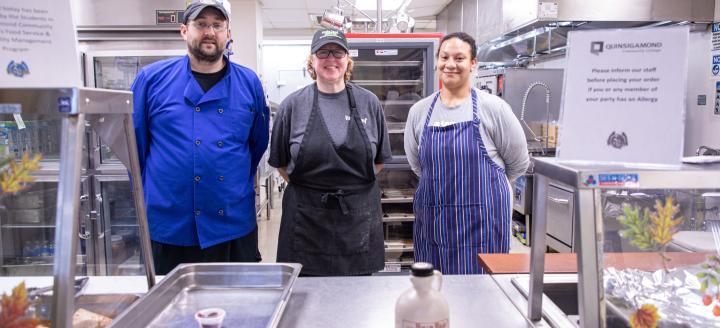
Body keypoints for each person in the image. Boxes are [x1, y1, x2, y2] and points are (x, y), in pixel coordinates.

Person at [131, 0, 269, 275]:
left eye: (218, 25)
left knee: (237, 309)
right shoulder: (152, 79)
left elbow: (257, 144)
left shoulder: (248, 82)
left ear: (228, 33)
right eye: (201, 24)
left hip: (231, 220)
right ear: (184, 31)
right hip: (170, 223)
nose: (210, 31)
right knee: (170, 312)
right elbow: (135, 148)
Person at [269, 29, 392, 276]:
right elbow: (281, 163)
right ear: (312, 60)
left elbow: (379, 160)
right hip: (306, 220)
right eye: (323, 52)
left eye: (337, 52)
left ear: (347, 59)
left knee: (358, 301)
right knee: (306, 302)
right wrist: (312, 191)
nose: (330, 58)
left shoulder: (369, 102)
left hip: (357, 218)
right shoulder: (292, 105)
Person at [404, 32, 529, 274]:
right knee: (433, 291)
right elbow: (418, 166)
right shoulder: (419, 112)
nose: (450, 64)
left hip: (482, 225)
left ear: (473, 64)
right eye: (444, 57)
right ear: (437, 61)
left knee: (480, 297)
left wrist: (487, 193)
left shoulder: (493, 109)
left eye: (459, 58)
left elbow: (518, 164)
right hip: (434, 224)